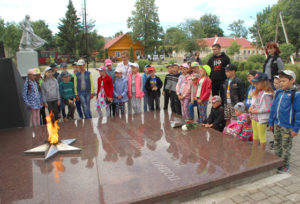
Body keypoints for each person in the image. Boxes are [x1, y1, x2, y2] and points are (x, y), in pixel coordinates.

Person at [269, 70, 299, 172]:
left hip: (287, 126)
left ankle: (285, 164)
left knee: (285, 146)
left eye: (284, 81)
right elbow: (273, 108)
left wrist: (295, 129)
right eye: (280, 81)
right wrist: (271, 122)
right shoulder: (278, 92)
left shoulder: (296, 95)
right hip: (277, 124)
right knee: (277, 144)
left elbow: (298, 113)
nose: (281, 83)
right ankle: (277, 162)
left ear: (292, 80)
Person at [249, 72, 274, 150]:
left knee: (262, 137)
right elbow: (255, 103)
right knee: (255, 135)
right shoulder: (258, 92)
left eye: (257, 83)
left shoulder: (267, 94)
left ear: (264, 82)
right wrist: (251, 108)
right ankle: (254, 150)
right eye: (255, 83)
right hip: (254, 117)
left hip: (261, 119)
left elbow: (268, 107)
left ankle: (261, 153)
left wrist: (257, 111)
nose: (255, 85)